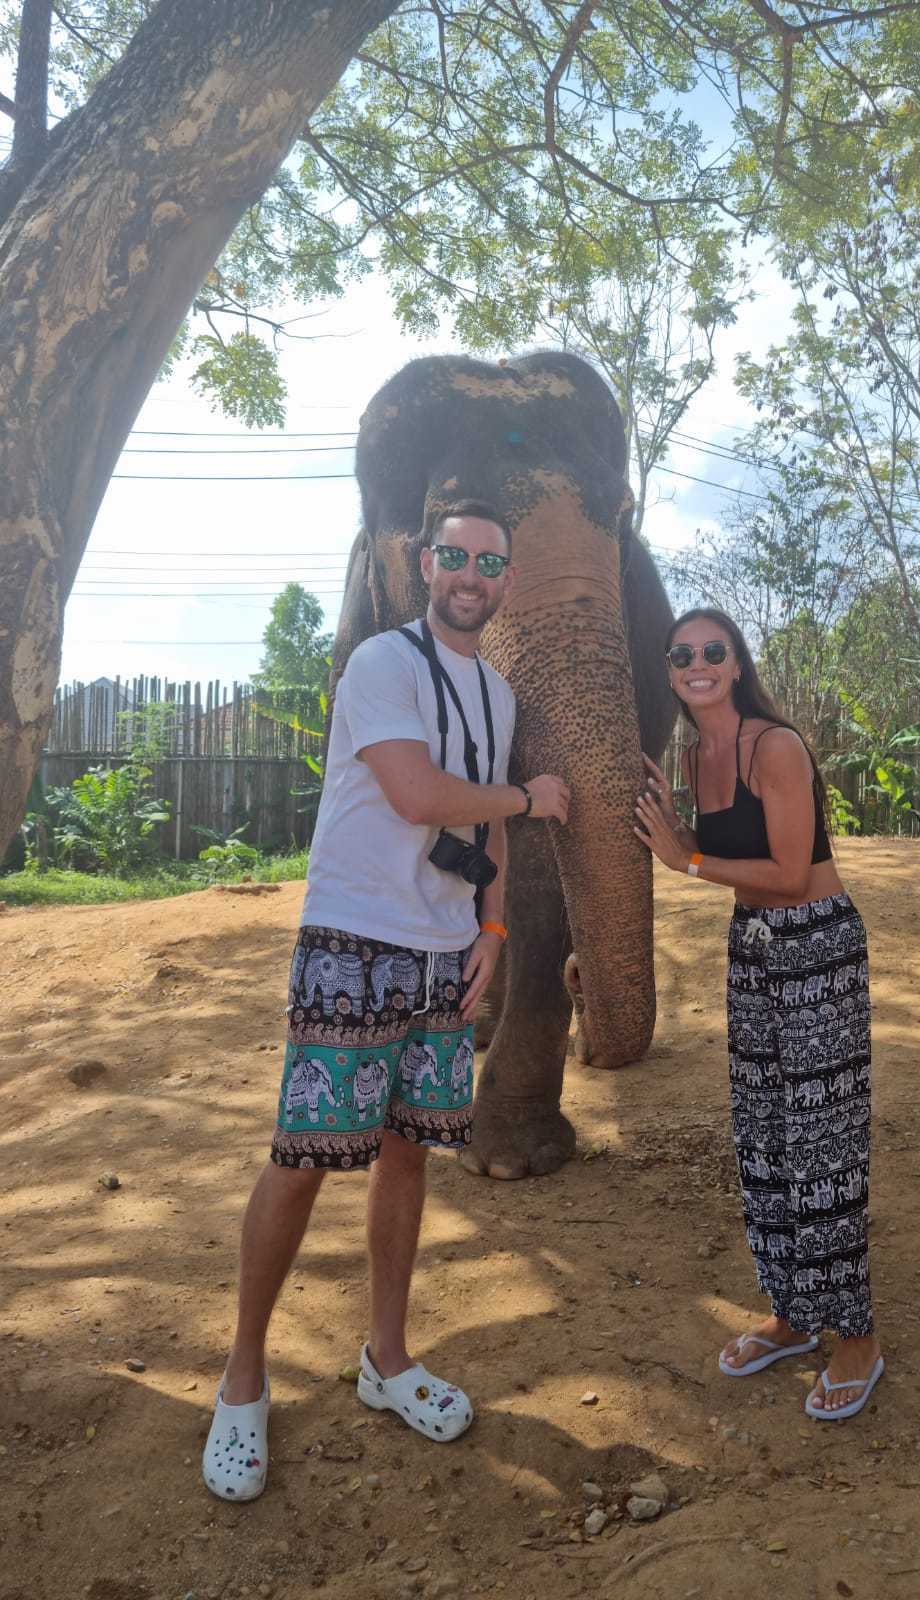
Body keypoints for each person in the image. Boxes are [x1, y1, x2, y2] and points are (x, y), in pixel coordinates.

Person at [203, 500, 570, 1502]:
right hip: (355, 944)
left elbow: (484, 827)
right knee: (304, 1156)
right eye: (454, 554)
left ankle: (389, 1357)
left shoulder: (495, 690)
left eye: (489, 561)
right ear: (423, 564)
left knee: (408, 1151)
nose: (470, 573)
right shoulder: (381, 665)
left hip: (445, 953)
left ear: (504, 581)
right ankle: (242, 1377)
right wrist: (531, 799)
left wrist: (492, 928)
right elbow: (416, 793)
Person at [635, 608, 883, 1420]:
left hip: (816, 946)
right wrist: (676, 837)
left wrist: (687, 858)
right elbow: (744, 884)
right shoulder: (697, 752)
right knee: (765, 1133)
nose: (698, 663)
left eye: (715, 651)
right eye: (683, 655)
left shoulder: (774, 745)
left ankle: (857, 1337)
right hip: (754, 944)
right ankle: (790, 1312)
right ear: (671, 671)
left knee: (824, 1139)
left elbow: (786, 869)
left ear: (737, 664)